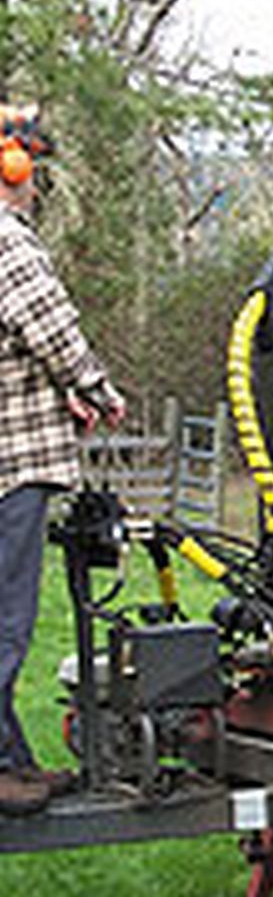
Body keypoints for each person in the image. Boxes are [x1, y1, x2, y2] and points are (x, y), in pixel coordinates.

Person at [0, 104, 126, 815]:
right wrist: (96, 389)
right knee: (6, 618)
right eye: (30, 167)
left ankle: (13, 759)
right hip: (12, 464)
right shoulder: (6, 239)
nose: (34, 182)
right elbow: (51, 329)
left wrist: (62, 397)